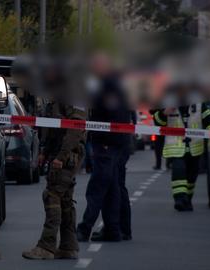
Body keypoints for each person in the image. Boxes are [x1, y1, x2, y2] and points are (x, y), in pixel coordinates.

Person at [77, 53, 132, 242]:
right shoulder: (115, 82)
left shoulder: (108, 85)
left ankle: (85, 228)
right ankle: (114, 229)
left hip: (108, 142)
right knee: (113, 187)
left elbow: (113, 114)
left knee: (98, 187)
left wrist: (107, 139)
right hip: (116, 141)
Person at [22, 102, 86, 260]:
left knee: (52, 195)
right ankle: (68, 246)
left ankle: (46, 246)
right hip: (58, 154)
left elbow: (75, 128)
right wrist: (46, 151)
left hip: (66, 156)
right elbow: (53, 128)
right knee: (64, 200)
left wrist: (61, 156)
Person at [153, 103, 210, 211]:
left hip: (195, 147)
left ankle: (187, 199)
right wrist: (164, 113)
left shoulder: (199, 104)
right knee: (179, 171)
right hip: (175, 147)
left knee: (192, 176)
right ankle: (179, 199)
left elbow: (208, 118)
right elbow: (157, 122)